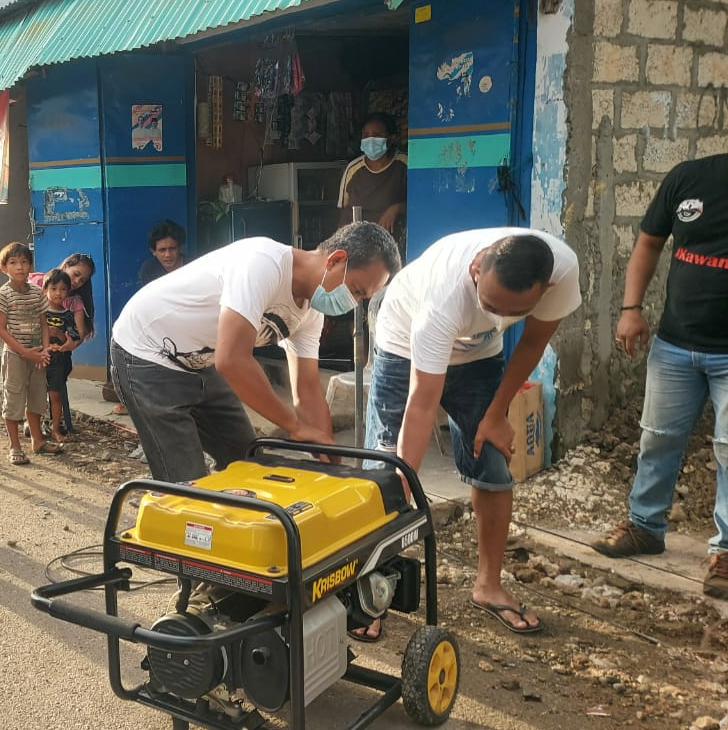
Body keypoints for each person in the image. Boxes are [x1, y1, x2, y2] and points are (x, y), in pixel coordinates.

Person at [366, 228, 581, 639]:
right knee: (385, 468)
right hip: (403, 341)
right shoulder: (443, 298)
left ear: (546, 287)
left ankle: (488, 585)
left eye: (511, 312)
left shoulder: (562, 270)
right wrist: (404, 481)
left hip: (480, 354)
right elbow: (422, 403)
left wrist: (497, 412)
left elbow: (532, 344)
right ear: (476, 267)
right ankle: (369, 590)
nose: (499, 318)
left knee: (493, 463)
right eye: (490, 304)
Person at [111, 223, 400, 484]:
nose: (353, 302)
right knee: (186, 482)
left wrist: (325, 448)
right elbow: (232, 360)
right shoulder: (263, 264)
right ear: (336, 260)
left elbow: (308, 389)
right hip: (146, 351)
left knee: (248, 462)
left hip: (200, 361)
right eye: (356, 290)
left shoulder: (312, 312)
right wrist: (294, 427)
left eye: (361, 298)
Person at [594, 154, 728, 599]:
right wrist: (632, 309)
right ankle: (645, 527)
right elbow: (649, 242)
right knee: (657, 438)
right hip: (675, 344)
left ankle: (725, 551)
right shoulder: (689, 177)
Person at [0, 242, 61, 465]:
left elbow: (43, 323)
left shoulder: (37, 294)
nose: (19, 267)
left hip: (38, 356)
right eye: (13, 263)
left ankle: (37, 441)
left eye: (23, 262)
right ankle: (15, 446)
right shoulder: (3, 295)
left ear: (30, 265)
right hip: (15, 356)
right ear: (4, 268)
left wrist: (45, 349)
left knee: (37, 398)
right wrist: (24, 352)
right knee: (13, 399)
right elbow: (1, 330)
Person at [30, 253, 94, 433]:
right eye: (76, 274)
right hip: (32, 350)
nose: (77, 282)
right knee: (34, 385)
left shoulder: (74, 302)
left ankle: (54, 425)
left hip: (59, 355)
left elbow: (79, 334)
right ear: (66, 266)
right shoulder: (38, 285)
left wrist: (67, 342)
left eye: (82, 280)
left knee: (55, 387)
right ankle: (35, 422)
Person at [338, 113, 408, 254]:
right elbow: (343, 209)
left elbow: (422, 203)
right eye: (366, 135)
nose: (370, 139)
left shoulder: (405, 164)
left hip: (393, 247)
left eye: (376, 135)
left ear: (390, 138)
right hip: (357, 246)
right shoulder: (354, 169)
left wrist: (397, 208)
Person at [43, 269, 82, 445]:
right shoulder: (39, 313)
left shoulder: (68, 315)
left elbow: (73, 337)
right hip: (39, 359)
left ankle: (56, 429)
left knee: (55, 395)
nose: (58, 293)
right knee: (35, 394)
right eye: (54, 288)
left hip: (58, 362)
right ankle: (34, 425)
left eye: (63, 289)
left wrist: (57, 334)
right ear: (45, 290)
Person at [139, 219, 186, 285]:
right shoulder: (149, 269)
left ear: (181, 248)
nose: (168, 255)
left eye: (172, 248)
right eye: (162, 250)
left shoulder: (193, 265)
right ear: (153, 251)